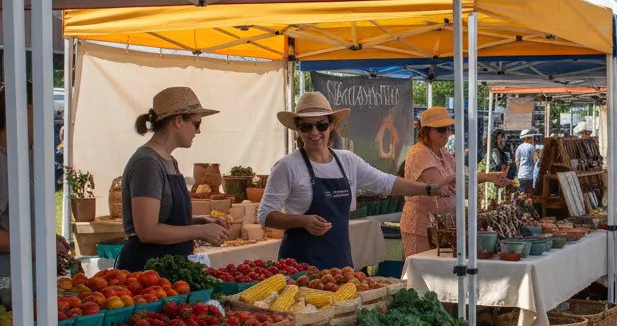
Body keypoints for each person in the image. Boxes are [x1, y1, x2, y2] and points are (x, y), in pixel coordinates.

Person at [261, 93, 444, 269]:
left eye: (321, 125)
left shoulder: (347, 160)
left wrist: (430, 188)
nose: (314, 132)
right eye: (306, 127)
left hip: (339, 260)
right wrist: (302, 221)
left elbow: (386, 183)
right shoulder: (287, 166)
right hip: (298, 265)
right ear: (298, 129)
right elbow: (266, 215)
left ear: (331, 125)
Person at [116, 87, 228, 272]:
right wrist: (200, 232)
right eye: (196, 124)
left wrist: (199, 221)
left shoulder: (170, 161)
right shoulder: (147, 163)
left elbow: (164, 218)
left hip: (168, 266)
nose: (198, 131)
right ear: (178, 121)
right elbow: (147, 231)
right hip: (146, 271)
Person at [396, 105, 510, 257]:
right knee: (422, 273)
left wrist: (489, 177)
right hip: (420, 226)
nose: (447, 134)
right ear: (427, 131)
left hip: (441, 226)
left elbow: (463, 174)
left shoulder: (442, 152)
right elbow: (442, 187)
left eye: (449, 129)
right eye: (441, 129)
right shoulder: (420, 153)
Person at [0, 83, 69, 299]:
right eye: (40, 110)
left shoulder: (17, 161)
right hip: (6, 285)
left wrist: (46, 237)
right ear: (24, 109)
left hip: (24, 284)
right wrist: (32, 246)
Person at [515, 130, 538, 195]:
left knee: (522, 194)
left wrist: (519, 170)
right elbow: (535, 161)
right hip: (530, 175)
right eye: (531, 137)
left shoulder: (519, 148)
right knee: (529, 194)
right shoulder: (532, 147)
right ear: (528, 138)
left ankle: (522, 204)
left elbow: (517, 161)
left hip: (521, 175)